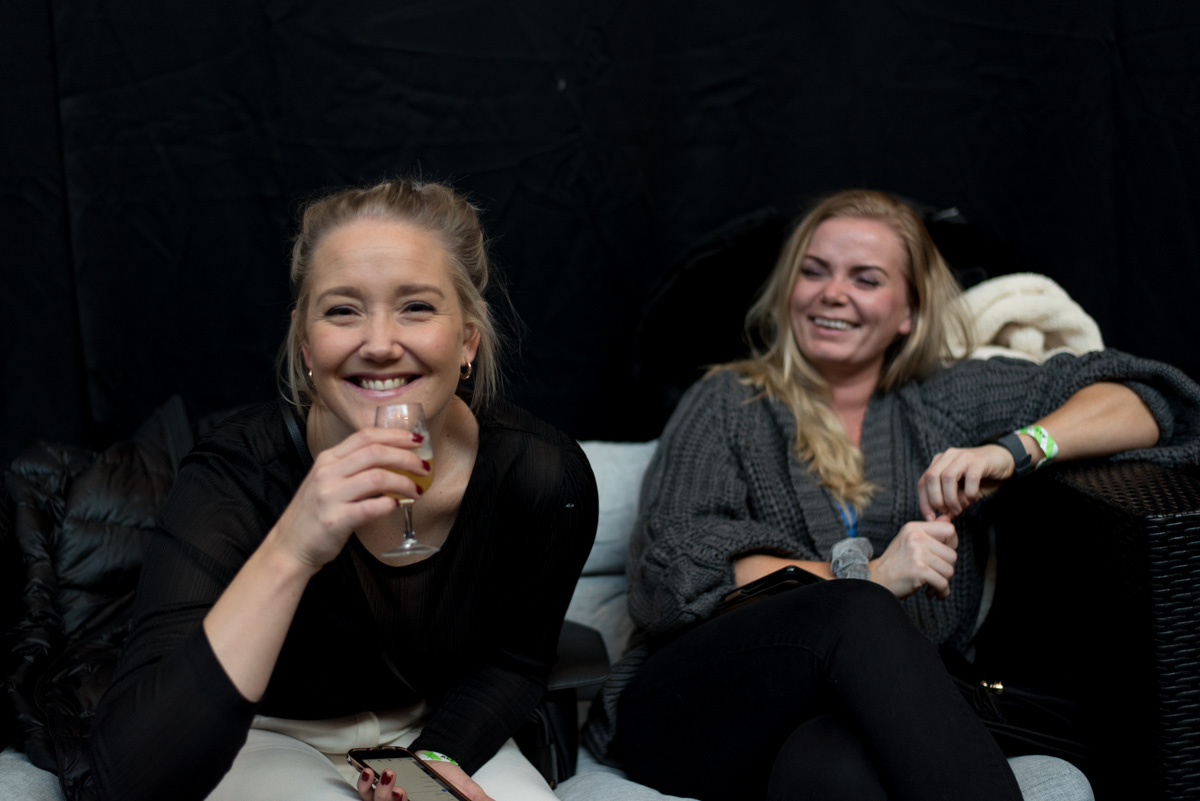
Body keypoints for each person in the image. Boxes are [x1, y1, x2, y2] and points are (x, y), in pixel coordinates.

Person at [583, 189, 1200, 801]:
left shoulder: (943, 402)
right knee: (856, 607)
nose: (833, 293)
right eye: (814, 271)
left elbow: (1154, 398)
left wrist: (1012, 450)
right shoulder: (728, 401)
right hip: (698, 710)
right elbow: (676, 563)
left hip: (846, 725)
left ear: (909, 311)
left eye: (866, 279)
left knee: (833, 768)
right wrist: (870, 574)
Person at [89, 178, 598, 801]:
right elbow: (130, 776)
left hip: (432, 727)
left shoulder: (542, 473)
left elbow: (514, 662)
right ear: (306, 346)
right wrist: (293, 545)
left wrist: (426, 767)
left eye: (416, 307)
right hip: (261, 732)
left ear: (467, 339)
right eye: (342, 310)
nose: (379, 345)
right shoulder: (234, 477)